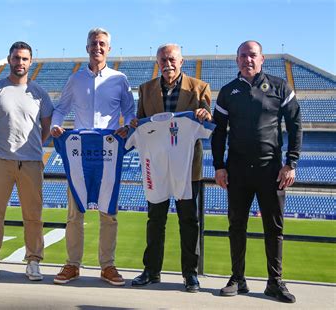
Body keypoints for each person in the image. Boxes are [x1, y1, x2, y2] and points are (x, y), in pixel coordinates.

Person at [211, 40, 301, 303]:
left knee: (273, 228)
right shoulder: (228, 91)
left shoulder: (279, 86)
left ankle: (275, 282)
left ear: (262, 59)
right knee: (236, 226)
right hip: (237, 170)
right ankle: (238, 279)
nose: (247, 60)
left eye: (252, 55)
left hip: (271, 170)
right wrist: (218, 166)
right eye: (242, 56)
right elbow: (218, 133)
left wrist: (291, 162)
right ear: (236, 60)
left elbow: (295, 124)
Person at [50, 27, 135, 286]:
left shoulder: (120, 79)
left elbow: (130, 110)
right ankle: (72, 264)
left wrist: (129, 125)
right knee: (75, 212)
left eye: (102, 44)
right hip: (80, 151)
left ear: (109, 49)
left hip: (108, 150)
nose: (97, 47)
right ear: (87, 48)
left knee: (108, 213)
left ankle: (107, 266)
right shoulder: (75, 79)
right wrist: (56, 125)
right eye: (93, 43)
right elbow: (61, 108)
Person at [129, 44, 212, 292]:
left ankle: (190, 274)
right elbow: (140, 124)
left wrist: (204, 114)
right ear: (158, 62)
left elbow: (209, 122)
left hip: (187, 166)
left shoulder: (200, 88)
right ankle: (151, 271)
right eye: (163, 59)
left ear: (182, 61)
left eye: (172, 59)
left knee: (189, 221)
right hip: (156, 166)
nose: (168, 63)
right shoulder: (145, 90)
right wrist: (135, 123)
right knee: (155, 220)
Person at [0, 41, 53, 282]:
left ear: (31, 62)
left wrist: (31, 148)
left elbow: (46, 129)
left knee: (33, 215)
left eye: (24, 59)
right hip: (0, 160)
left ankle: (33, 261)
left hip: (30, 161)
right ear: (9, 60)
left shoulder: (39, 93)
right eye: (16, 58)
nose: (20, 63)